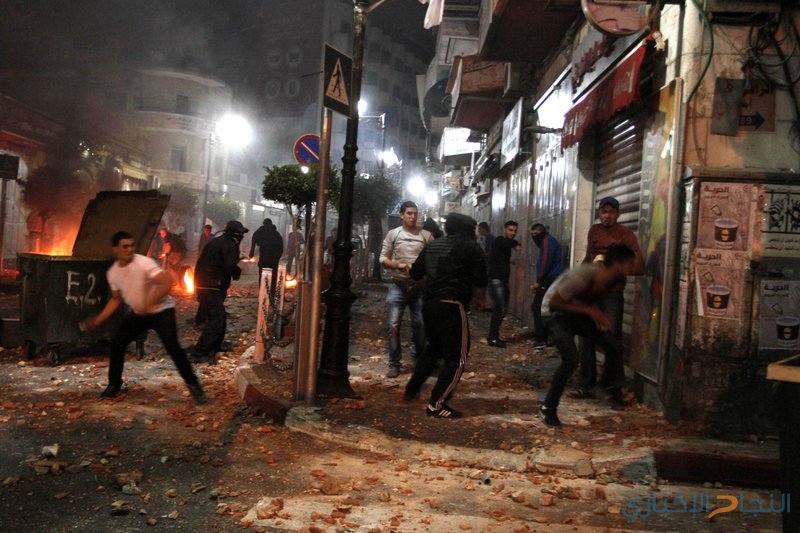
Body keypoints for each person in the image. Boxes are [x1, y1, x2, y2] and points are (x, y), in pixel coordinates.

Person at [81, 231, 206, 403]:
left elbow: (166, 283)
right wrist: (97, 320)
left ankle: (193, 383)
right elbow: (116, 299)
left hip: (162, 311)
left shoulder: (143, 263)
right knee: (118, 343)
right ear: (115, 249)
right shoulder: (113, 273)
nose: (129, 249)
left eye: (131, 245)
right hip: (139, 314)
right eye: (125, 246)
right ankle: (114, 385)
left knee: (172, 346)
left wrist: (149, 302)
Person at [538, 244, 636, 427]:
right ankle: (548, 407)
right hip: (553, 314)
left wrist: (596, 317)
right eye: (629, 265)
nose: (632, 270)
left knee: (612, 344)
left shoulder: (608, 281)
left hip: (573, 315)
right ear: (618, 264)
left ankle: (606, 386)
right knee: (571, 359)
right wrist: (590, 311)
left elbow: (587, 302)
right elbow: (554, 303)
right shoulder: (584, 274)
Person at [404, 213, 487, 418]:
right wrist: (478, 298)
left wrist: (432, 284)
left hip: (429, 304)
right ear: (468, 229)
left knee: (433, 349)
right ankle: (437, 404)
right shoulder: (471, 247)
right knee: (457, 357)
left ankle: (412, 389)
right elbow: (480, 279)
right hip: (452, 305)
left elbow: (415, 273)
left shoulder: (433, 245)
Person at [573, 196, 645, 399]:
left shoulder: (626, 235)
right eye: (604, 212)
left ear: (618, 214)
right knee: (586, 337)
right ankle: (587, 385)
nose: (607, 216)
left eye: (611, 212)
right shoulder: (594, 231)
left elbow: (638, 266)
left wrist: (614, 268)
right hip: (592, 291)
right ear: (599, 214)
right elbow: (588, 257)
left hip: (612, 293)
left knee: (611, 339)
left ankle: (613, 388)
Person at [379, 201, 434, 378]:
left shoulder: (426, 236)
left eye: (415, 214)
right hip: (398, 285)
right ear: (402, 215)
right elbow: (383, 259)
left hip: (419, 287)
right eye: (409, 213)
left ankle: (418, 357)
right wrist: (398, 265)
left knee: (421, 324)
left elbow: (433, 261)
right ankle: (394, 363)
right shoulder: (394, 234)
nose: (413, 217)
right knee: (393, 325)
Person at [191, 220, 248, 365]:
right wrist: (237, 271)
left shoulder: (218, 241)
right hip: (212, 285)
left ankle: (215, 346)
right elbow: (229, 266)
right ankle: (199, 353)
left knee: (219, 317)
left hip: (204, 283)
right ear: (235, 234)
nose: (242, 236)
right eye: (240, 233)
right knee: (216, 319)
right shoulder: (229, 244)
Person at [486, 220, 521, 347]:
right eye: (510, 230)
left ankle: (493, 336)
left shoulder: (504, 244)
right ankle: (493, 338)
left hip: (501, 280)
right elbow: (506, 243)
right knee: (500, 308)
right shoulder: (499, 240)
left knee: (501, 308)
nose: (513, 233)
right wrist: (516, 243)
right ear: (504, 230)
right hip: (497, 279)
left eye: (515, 231)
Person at [530, 223, 563, 347]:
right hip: (550, 278)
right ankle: (546, 337)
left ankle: (540, 339)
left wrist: (539, 281)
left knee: (537, 307)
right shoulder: (548, 241)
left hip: (550, 278)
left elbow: (545, 263)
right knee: (544, 308)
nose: (534, 237)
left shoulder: (547, 242)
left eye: (535, 234)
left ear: (541, 232)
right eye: (532, 234)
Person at [249, 219, 284, 292]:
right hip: (273, 258)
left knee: (263, 274)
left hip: (264, 257)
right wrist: (278, 257)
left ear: (264, 224)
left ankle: (262, 290)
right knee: (273, 275)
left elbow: (253, 241)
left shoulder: (260, 232)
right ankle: (272, 291)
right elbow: (281, 247)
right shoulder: (276, 234)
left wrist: (251, 253)